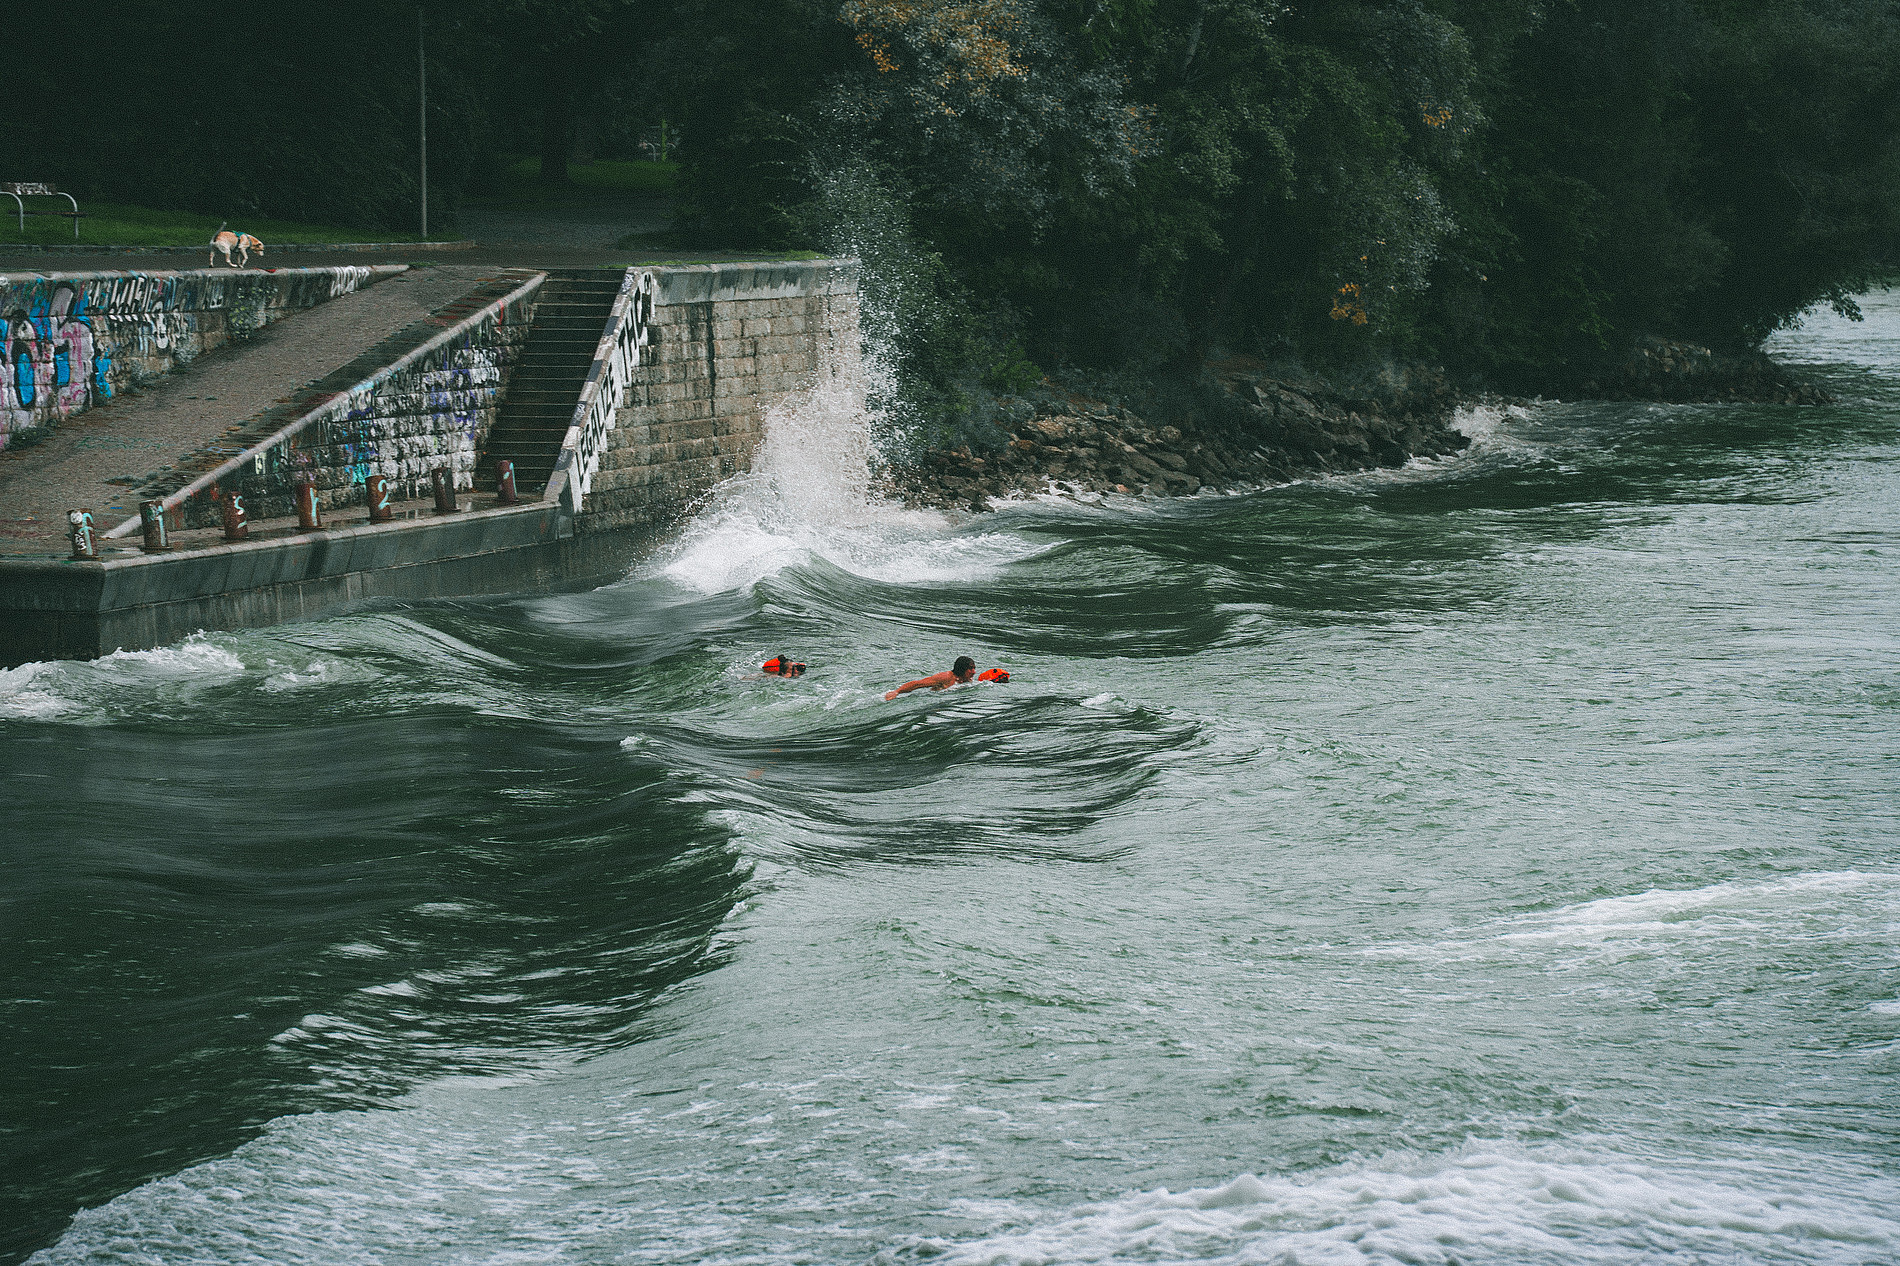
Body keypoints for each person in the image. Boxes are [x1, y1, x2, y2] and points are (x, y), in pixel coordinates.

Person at [886, 656, 977, 700]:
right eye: (970, 668)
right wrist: (897, 692)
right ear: (961, 669)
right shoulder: (946, 677)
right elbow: (918, 684)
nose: (974, 672)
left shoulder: (967, 679)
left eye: (974, 668)